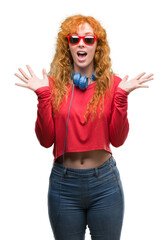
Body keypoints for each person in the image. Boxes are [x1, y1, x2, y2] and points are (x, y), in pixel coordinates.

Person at [14, 14, 154, 240]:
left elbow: (117, 141)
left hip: (105, 185)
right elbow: (46, 140)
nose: (81, 43)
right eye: (74, 39)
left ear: (97, 46)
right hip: (63, 185)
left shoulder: (115, 85)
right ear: (67, 46)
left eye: (88, 40)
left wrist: (121, 98)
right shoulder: (50, 86)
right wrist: (42, 97)